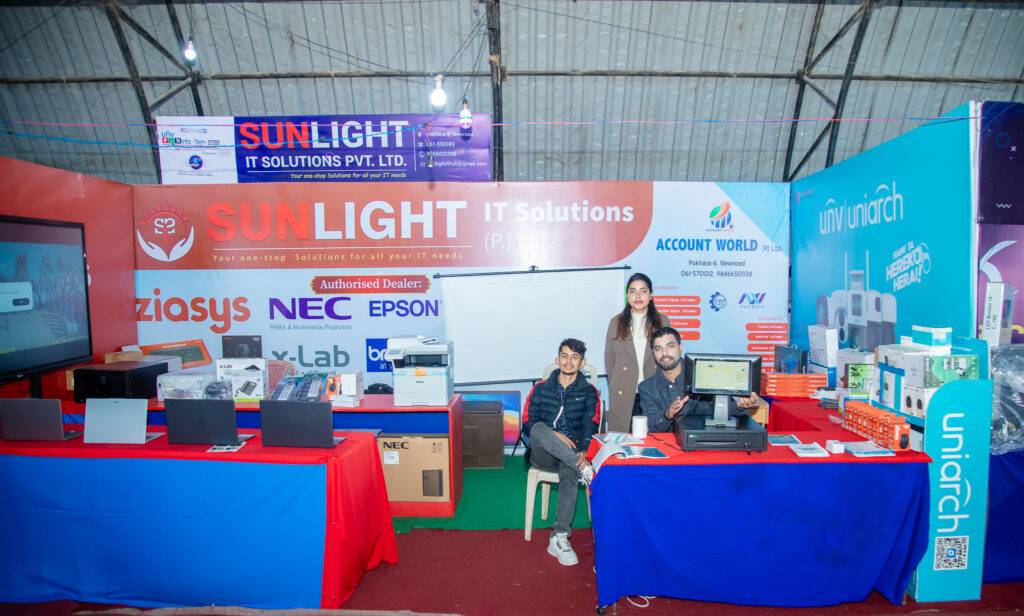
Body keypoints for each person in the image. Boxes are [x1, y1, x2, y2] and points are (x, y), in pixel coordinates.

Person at [522, 338, 601, 566]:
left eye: (575, 357)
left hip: (571, 453)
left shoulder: (589, 392)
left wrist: (583, 450)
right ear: (557, 360)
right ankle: (583, 470)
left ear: (582, 363)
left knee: (570, 467)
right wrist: (554, 435)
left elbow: (591, 424)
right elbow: (527, 423)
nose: (568, 361)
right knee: (539, 428)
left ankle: (559, 537)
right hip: (543, 453)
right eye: (564, 356)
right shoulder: (540, 388)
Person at [639, 326, 760, 433]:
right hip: (665, 447)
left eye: (670, 346)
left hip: (704, 444)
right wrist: (667, 414)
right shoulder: (647, 387)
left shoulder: (705, 375)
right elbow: (648, 426)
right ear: (653, 353)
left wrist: (740, 406)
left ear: (680, 347)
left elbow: (731, 411)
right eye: (658, 348)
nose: (664, 353)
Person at [603, 273, 666, 433]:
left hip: (654, 391)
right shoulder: (616, 322)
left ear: (651, 295)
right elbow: (609, 360)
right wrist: (618, 382)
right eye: (632, 291)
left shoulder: (663, 322)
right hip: (623, 390)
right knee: (622, 439)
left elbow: (668, 360)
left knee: (652, 439)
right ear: (627, 295)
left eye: (643, 291)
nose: (638, 296)